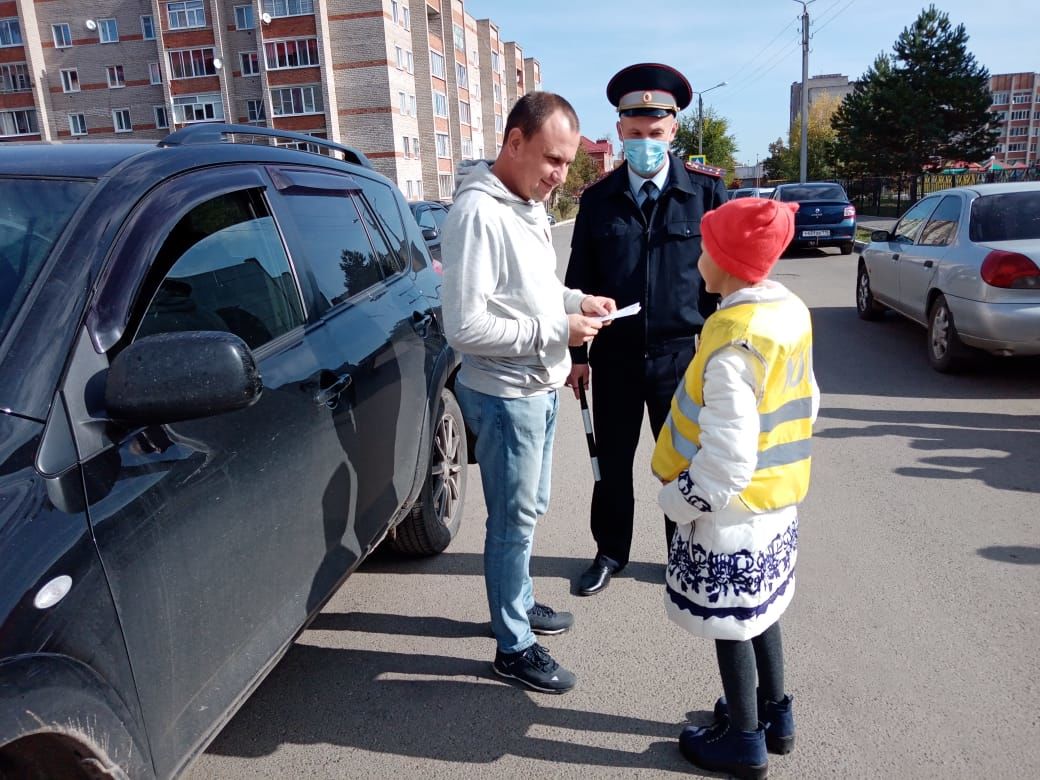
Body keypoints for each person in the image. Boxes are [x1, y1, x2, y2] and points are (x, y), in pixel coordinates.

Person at [440, 92, 616, 694]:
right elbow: (463, 327)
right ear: (513, 142)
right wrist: (556, 330)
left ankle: (518, 601)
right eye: (552, 160)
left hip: (538, 386)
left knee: (529, 510)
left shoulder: (528, 205)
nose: (559, 176)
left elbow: (534, 291)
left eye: (567, 163)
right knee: (512, 522)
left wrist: (576, 303)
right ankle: (512, 645)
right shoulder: (478, 214)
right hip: (505, 394)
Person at [651, 197, 818, 779]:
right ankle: (775, 716)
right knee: (763, 611)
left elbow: (726, 460)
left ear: (724, 262)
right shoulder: (787, 312)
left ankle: (743, 741)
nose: (697, 258)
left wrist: (676, 501)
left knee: (732, 622)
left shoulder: (731, 342)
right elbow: (807, 401)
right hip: (777, 498)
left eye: (705, 248)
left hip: (735, 509)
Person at [565, 63, 728, 596]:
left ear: (673, 130)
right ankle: (611, 552)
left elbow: (728, 282)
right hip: (612, 357)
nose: (644, 144)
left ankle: (685, 559)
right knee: (611, 464)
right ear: (619, 131)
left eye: (654, 134)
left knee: (680, 467)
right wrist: (578, 357)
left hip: (682, 358)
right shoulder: (598, 200)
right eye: (633, 134)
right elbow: (578, 280)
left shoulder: (705, 195)